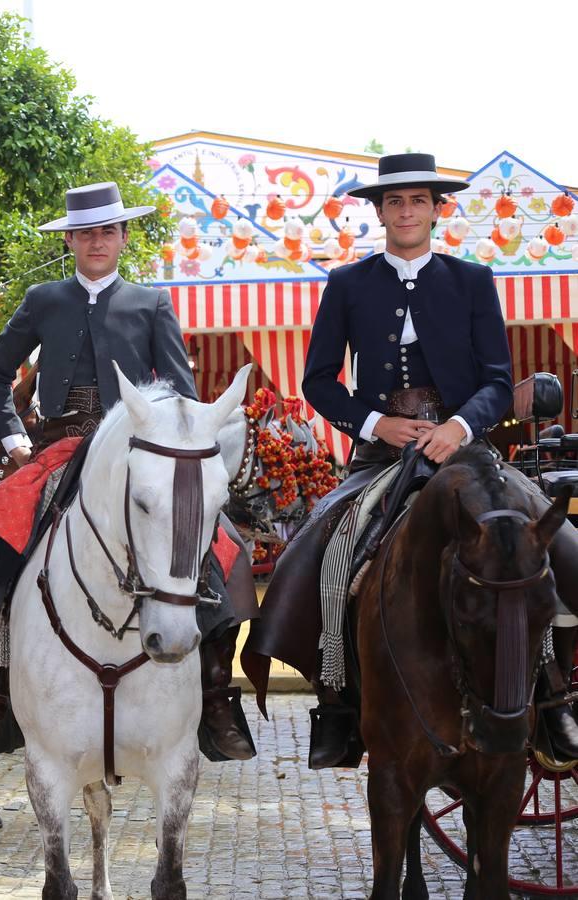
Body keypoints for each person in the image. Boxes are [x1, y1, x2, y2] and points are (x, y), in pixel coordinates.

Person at [247, 152, 578, 767]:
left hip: (466, 451)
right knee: (329, 547)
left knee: (548, 543)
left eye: (417, 201)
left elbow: (499, 383)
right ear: (380, 212)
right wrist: (377, 424)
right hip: (379, 456)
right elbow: (318, 382)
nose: (406, 211)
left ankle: (553, 696)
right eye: (394, 202)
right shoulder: (347, 284)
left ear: (434, 209)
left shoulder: (472, 281)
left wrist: (457, 425)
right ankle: (339, 703)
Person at [0, 182, 255, 760]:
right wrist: (14, 436)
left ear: (123, 237)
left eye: (107, 231)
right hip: (59, 447)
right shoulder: (42, 299)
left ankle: (214, 694)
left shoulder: (151, 303)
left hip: (138, 454)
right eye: (85, 232)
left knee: (224, 544)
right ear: (70, 239)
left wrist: (186, 447)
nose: (96, 241)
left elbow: (181, 393)